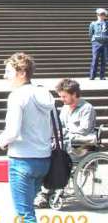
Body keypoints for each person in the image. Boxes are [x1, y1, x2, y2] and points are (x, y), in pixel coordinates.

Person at [0, 53, 54, 223]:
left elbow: (12, 132)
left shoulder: (17, 96)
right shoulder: (44, 93)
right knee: (29, 210)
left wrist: (2, 140)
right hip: (44, 160)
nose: (5, 76)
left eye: (8, 71)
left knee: (25, 215)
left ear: (21, 72)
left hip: (22, 160)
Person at [34, 79, 97, 208]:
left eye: (64, 96)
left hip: (82, 146)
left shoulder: (87, 108)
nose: (62, 99)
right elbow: (59, 127)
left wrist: (65, 132)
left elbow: (84, 130)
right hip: (67, 144)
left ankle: (46, 192)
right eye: (61, 96)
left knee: (55, 157)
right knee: (47, 154)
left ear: (74, 94)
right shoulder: (64, 108)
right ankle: (46, 190)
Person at [88, 8, 108, 80]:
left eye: (103, 15)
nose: (101, 16)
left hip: (105, 43)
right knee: (95, 59)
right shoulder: (93, 24)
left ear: (105, 16)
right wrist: (94, 41)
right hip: (96, 43)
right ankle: (92, 76)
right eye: (100, 15)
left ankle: (102, 76)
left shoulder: (107, 24)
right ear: (97, 15)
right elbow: (90, 33)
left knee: (104, 60)